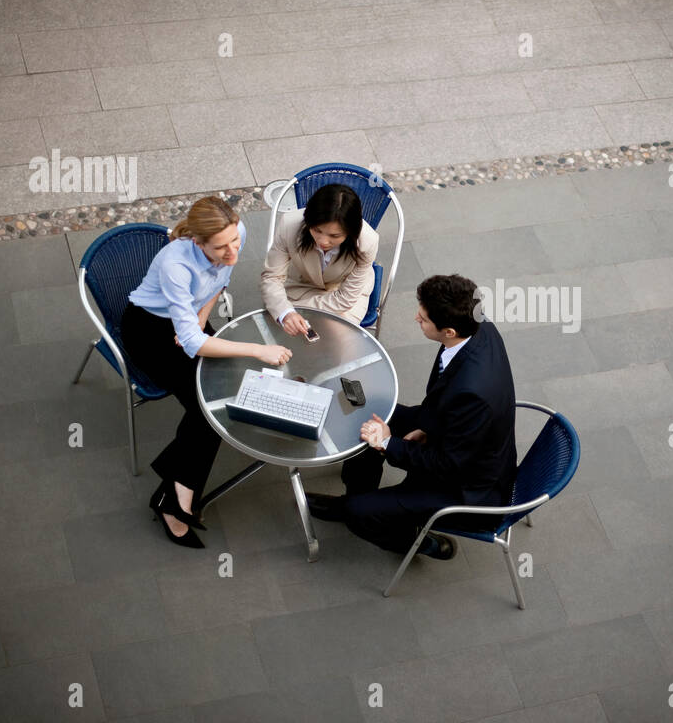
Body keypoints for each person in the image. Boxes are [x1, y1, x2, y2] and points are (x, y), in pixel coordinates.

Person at [121, 196, 292, 548]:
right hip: (150, 331)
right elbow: (193, 344)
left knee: (222, 397)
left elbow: (219, 283)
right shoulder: (176, 267)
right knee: (208, 409)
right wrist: (259, 350)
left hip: (187, 321)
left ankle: (173, 491)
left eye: (235, 242)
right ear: (198, 242)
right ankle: (176, 499)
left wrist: (200, 319)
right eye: (221, 247)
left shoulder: (234, 231)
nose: (232, 252)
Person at [311, 274, 517, 560]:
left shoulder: (473, 393)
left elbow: (448, 464)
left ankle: (416, 541)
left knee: (358, 515)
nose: (415, 319)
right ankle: (355, 495)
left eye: (423, 319)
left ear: (448, 331)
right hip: (453, 429)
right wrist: (425, 429)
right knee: (370, 415)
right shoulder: (478, 325)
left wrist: (388, 444)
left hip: (464, 488)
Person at [261, 183, 379, 333]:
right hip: (300, 285)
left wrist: (294, 310)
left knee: (337, 337)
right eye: (317, 230)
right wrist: (286, 312)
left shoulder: (367, 242)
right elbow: (272, 277)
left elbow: (345, 300)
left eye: (334, 236)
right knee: (281, 328)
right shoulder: (289, 225)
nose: (323, 241)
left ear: (350, 232)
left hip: (344, 294)